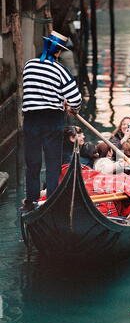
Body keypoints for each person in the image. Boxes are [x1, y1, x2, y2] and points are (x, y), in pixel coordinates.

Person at [21, 30, 82, 212]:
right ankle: (52, 201)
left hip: (31, 119)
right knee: (53, 161)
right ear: (57, 52)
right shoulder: (60, 69)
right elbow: (75, 99)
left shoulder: (29, 65)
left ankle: (31, 201)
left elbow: (34, 88)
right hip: (51, 119)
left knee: (32, 161)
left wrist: (56, 96)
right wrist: (72, 108)